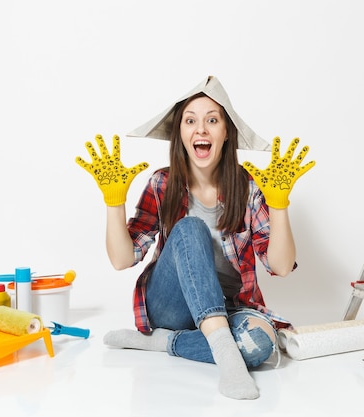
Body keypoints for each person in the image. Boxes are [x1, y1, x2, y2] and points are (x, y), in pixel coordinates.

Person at [75, 76, 314, 400]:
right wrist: (114, 201)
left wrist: (279, 205)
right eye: (191, 121)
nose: (201, 129)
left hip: (230, 307)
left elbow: (281, 267)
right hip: (173, 306)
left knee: (263, 346)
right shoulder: (162, 183)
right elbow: (121, 259)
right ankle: (226, 353)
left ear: (226, 132)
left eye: (212, 120)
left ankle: (162, 342)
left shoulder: (250, 188)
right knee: (189, 228)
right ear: (181, 134)